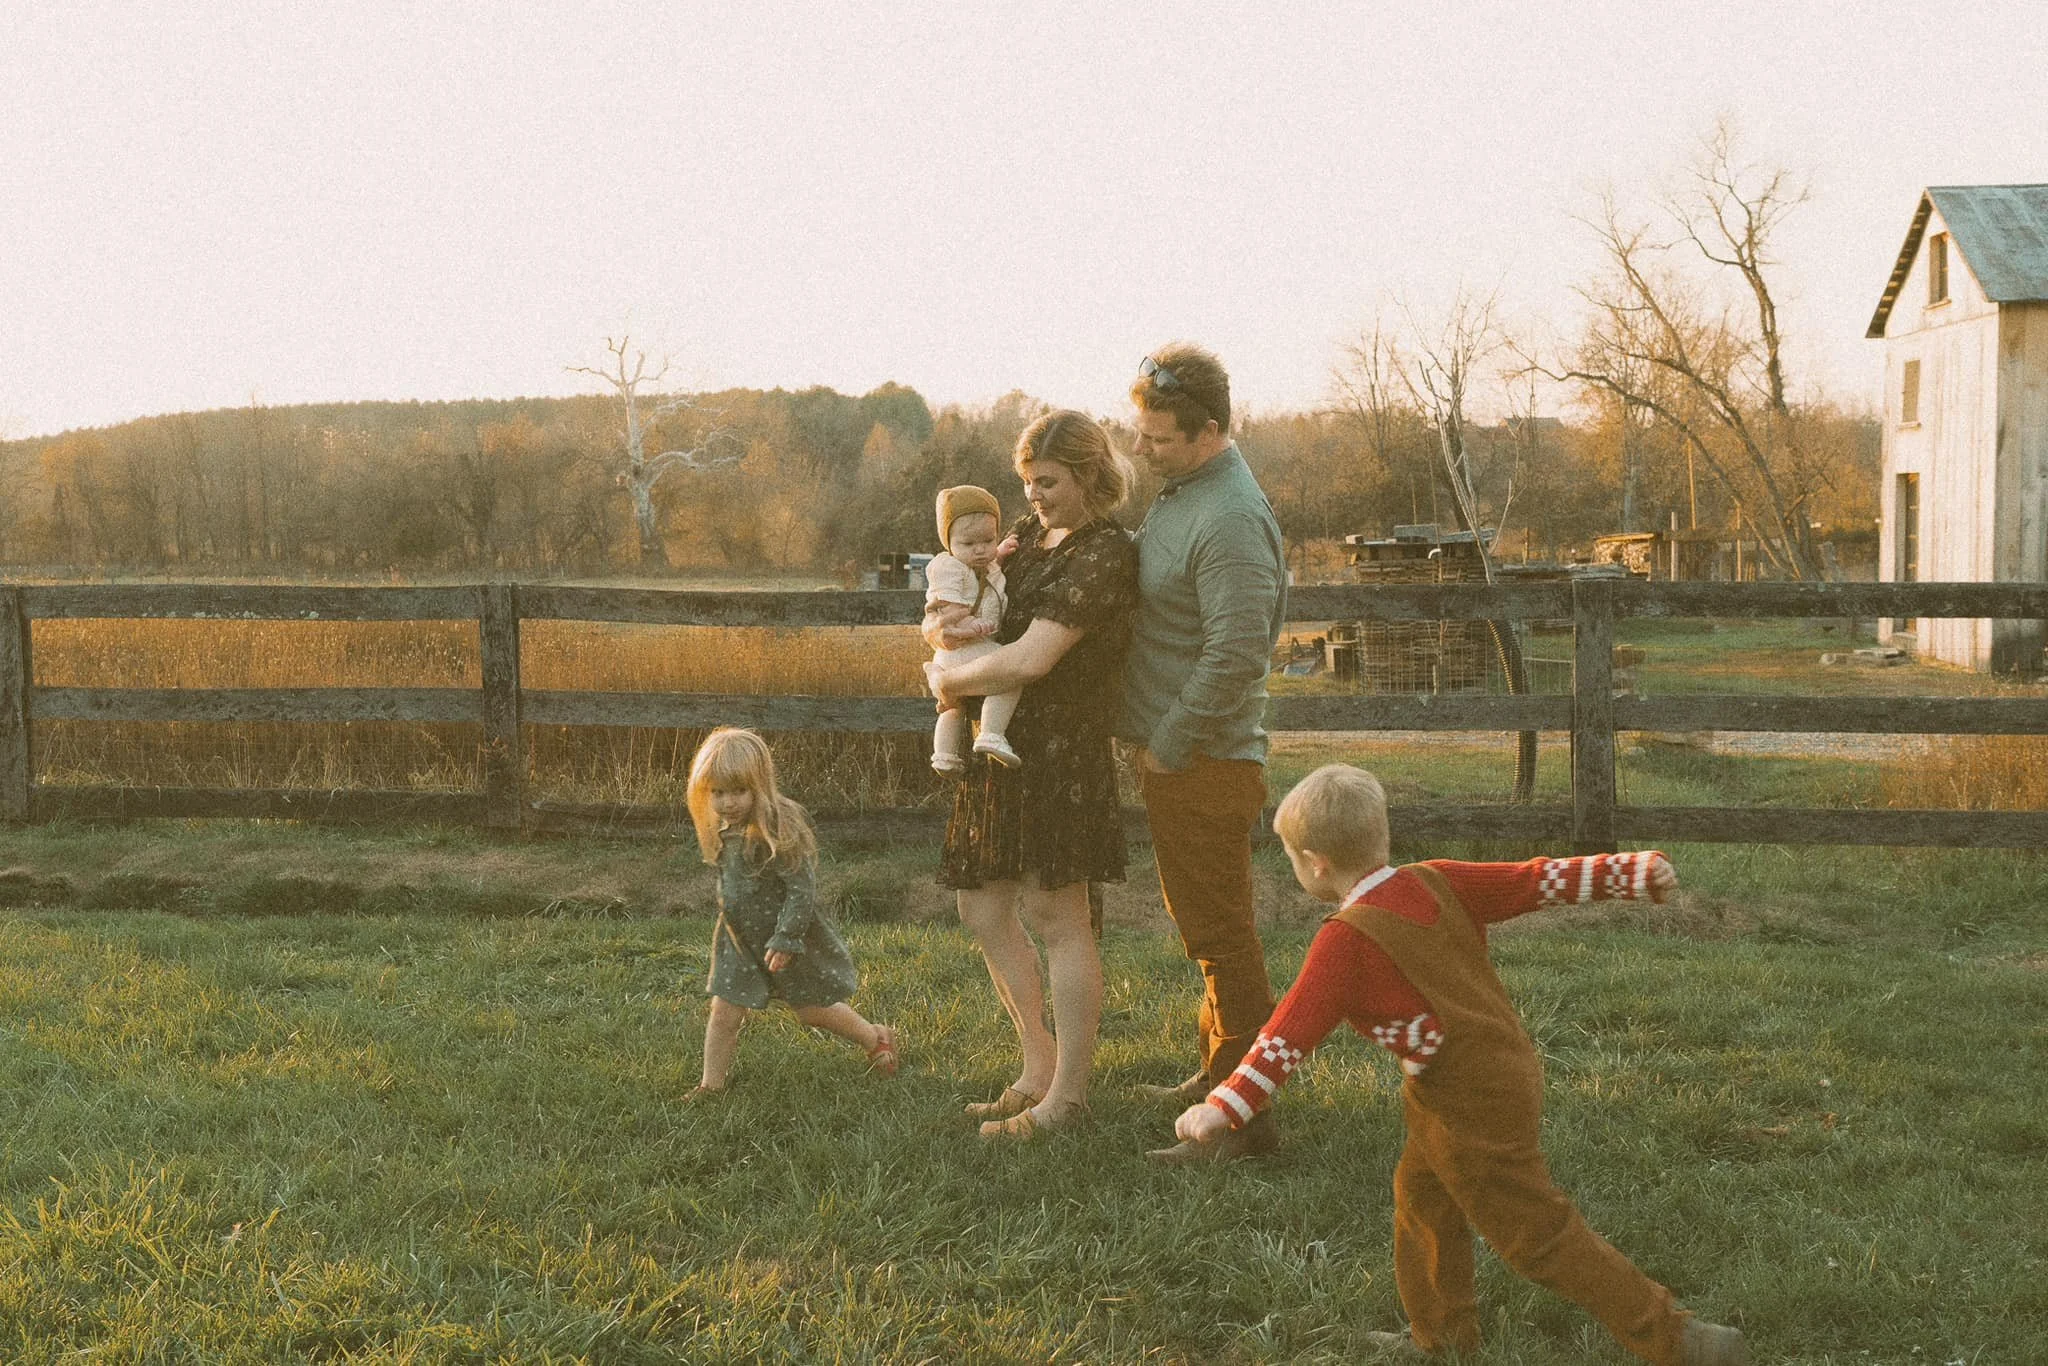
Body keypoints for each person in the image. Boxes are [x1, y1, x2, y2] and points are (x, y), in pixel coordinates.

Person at [1172, 764, 1751, 1366]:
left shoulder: (1345, 941)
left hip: (1466, 1095)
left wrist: (1223, 1108)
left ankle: (1678, 1337)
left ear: (1315, 862)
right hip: (1491, 1069)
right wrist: (1627, 873)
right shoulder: (1435, 879)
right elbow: (1536, 881)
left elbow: (1285, 1036)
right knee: (1423, 1195)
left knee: (1536, 1233)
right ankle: (1443, 1336)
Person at [925, 410, 1139, 1142]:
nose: (1035, 495)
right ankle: (1036, 1065)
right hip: (1000, 745)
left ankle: (1068, 1099)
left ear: (1087, 474)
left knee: (1058, 918)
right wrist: (940, 634)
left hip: (1058, 754)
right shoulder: (1027, 535)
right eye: (1027, 482)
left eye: (1047, 481)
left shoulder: (1105, 553)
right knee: (981, 909)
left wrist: (951, 683)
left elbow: (1031, 660)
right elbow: (969, 599)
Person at [1120, 343, 1290, 1163]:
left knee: (1224, 935)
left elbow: (1237, 652)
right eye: (1140, 432)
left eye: (1156, 438)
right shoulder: (1185, 492)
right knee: (1207, 929)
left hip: (1207, 760)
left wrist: (1169, 742)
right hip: (1182, 760)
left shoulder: (1228, 517)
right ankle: (1219, 1074)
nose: (1140, 449)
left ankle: (1242, 1120)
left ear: (1209, 430)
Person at [683, 727, 898, 1098]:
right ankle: (710, 1085)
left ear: (759, 785)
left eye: (738, 791)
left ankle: (874, 1037)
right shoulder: (724, 830)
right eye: (718, 792)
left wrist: (787, 936)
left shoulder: (776, 828)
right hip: (740, 942)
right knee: (724, 1012)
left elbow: (802, 889)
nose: (728, 802)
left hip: (785, 938)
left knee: (811, 1010)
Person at [923, 484, 1021, 773]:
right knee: (1010, 673)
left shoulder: (983, 563)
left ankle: (944, 755)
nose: (980, 550)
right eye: (969, 544)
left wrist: (999, 554)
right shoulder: (948, 568)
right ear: (948, 542)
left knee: (955, 705)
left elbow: (989, 574)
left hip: (962, 653)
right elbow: (948, 608)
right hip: (965, 646)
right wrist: (971, 626)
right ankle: (992, 732)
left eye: (988, 540)